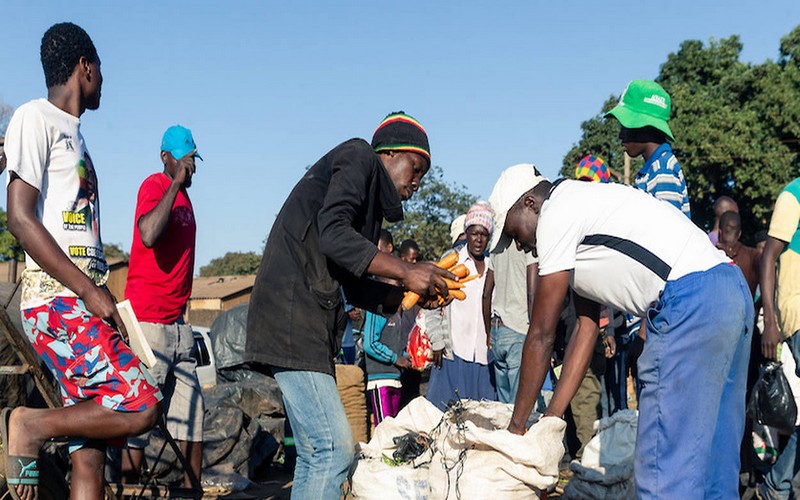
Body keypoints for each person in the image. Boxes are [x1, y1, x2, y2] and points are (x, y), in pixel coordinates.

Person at [490, 164, 751, 498]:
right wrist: (551, 419)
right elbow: (585, 330)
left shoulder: (555, 213)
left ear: (529, 203)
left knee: (664, 470)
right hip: (729, 290)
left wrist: (516, 431)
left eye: (514, 233)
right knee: (715, 461)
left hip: (689, 301)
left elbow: (542, 334)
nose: (519, 246)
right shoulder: (583, 205)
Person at [245, 111, 452, 498]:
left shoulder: (368, 206)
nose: (417, 182)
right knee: (334, 450)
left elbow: (353, 284)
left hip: (306, 321)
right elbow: (334, 236)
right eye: (415, 168)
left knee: (314, 454)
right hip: (293, 316)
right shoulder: (359, 156)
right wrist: (407, 271)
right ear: (389, 153)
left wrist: (406, 296)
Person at [3, 23, 162, 499]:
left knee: (89, 456)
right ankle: (30, 426)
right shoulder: (35, 117)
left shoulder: (76, 137)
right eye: (101, 70)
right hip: (56, 302)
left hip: (80, 299)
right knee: (140, 404)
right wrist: (88, 290)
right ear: (85, 67)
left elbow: (75, 234)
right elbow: (20, 218)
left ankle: (40, 429)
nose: (103, 81)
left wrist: (102, 291)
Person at [120, 125, 205, 487]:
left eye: (194, 160)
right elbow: (148, 235)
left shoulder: (184, 198)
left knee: (193, 417)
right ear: (165, 158)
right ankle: (125, 490)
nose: (191, 167)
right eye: (185, 160)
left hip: (178, 328)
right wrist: (174, 185)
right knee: (140, 418)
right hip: (149, 327)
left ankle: (192, 493)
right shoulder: (154, 186)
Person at [426, 202, 497, 410]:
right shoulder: (452, 262)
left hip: (484, 355)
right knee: (444, 414)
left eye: (484, 235)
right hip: (453, 352)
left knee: (481, 417)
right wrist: (437, 341)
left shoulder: (493, 265)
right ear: (466, 233)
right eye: (474, 234)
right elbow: (432, 305)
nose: (478, 240)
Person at [758, 177, 800, 499]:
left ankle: (778, 484)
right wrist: (770, 322)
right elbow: (769, 257)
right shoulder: (793, 195)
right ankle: (777, 483)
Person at [483, 165, 538, 405]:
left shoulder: (497, 246)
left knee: (504, 405)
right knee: (522, 404)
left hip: (498, 329)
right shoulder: (526, 240)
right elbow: (532, 292)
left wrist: (488, 332)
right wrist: (537, 334)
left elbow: (486, 293)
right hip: (519, 328)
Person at [607, 79, 691, 218]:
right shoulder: (654, 168)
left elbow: (667, 225)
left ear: (646, 128)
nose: (621, 135)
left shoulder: (662, 169)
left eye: (625, 126)